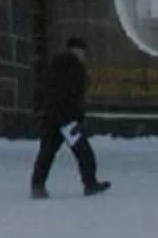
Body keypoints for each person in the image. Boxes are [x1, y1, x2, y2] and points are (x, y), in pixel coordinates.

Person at [33, 36, 109, 199]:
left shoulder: (53, 65)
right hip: (68, 119)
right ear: (77, 50)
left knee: (46, 152)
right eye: (83, 52)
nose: (84, 56)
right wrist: (79, 118)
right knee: (84, 152)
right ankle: (90, 184)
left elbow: (44, 89)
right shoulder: (76, 67)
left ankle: (37, 185)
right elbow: (74, 96)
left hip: (51, 117)